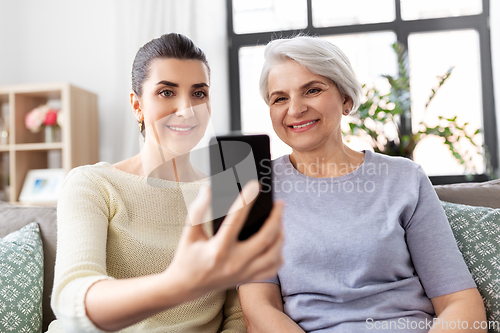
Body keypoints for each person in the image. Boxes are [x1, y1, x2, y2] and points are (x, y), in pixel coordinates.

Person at [238, 35, 487, 333]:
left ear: (345, 98)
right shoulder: (254, 187)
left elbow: (458, 301)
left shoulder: (405, 178)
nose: (295, 109)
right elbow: (259, 308)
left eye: (312, 90)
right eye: (280, 98)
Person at [48, 33, 284, 333]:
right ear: (137, 105)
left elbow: (237, 315)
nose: (187, 109)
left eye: (199, 93)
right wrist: (176, 284)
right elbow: (71, 300)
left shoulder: (224, 190)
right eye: (166, 92)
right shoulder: (93, 184)